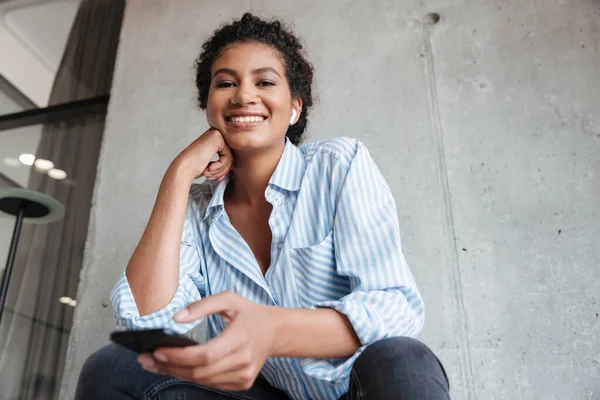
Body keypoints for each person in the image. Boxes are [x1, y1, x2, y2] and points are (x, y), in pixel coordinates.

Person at [75, 13, 450, 400]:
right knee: (111, 369)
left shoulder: (337, 166)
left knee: (403, 358)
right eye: (225, 83)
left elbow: (395, 306)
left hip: (352, 390)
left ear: (294, 108)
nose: (243, 96)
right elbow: (143, 320)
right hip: (262, 394)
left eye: (265, 82)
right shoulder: (196, 210)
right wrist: (180, 172)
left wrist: (274, 329)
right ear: (208, 105)